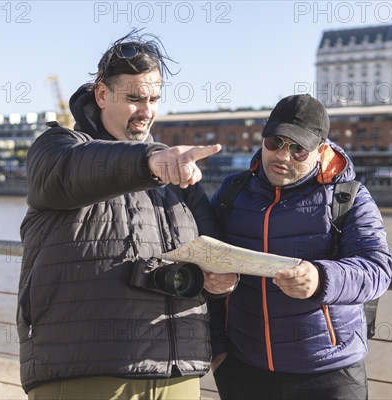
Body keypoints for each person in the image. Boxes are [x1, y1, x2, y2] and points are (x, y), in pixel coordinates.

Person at [17, 29, 237, 399]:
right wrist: (148, 160)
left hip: (178, 371)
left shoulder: (174, 169)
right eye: (134, 98)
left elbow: (214, 249)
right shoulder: (56, 149)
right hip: (87, 370)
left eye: (153, 98)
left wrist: (221, 279)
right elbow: (74, 171)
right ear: (101, 94)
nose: (147, 111)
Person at [208, 94, 392, 399]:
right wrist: (219, 355)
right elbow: (202, 257)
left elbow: (377, 270)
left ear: (321, 151)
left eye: (298, 149)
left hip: (329, 375)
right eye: (275, 143)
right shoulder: (232, 192)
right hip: (244, 370)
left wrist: (321, 278)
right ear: (262, 138)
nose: (283, 156)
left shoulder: (348, 198)